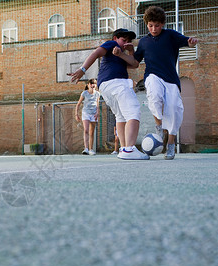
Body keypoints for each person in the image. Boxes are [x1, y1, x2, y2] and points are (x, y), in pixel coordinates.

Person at [68, 28, 149, 160]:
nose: (125, 43)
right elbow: (96, 53)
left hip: (106, 87)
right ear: (115, 38)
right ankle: (130, 149)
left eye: (129, 41)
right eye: (123, 40)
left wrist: (130, 51)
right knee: (133, 111)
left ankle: (123, 149)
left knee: (121, 116)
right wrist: (83, 69)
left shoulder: (121, 54)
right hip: (116, 83)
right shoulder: (112, 45)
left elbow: (134, 65)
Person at [131, 6, 198, 160]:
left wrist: (191, 42)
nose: (154, 29)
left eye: (157, 25)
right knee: (154, 96)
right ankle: (160, 127)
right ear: (147, 24)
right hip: (152, 75)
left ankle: (171, 143)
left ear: (163, 24)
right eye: (150, 25)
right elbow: (135, 61)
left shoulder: (170, 36)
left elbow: (186, 41)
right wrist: (126, 52)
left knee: (174, 109)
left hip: (171, 79)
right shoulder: (143, 42)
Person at [75, 78, 100, 155]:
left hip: (94, 114)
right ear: (88, 85)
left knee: (92, 132)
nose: (93, 85)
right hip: (86, 113)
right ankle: (85, 148)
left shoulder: (97, 94)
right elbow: (78, 104)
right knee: (86, 130)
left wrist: (97, 113)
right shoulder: (84, 93)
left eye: (94, 84)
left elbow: (97, 104)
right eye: (91, 83)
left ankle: (91, 149)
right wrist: (76, 114)